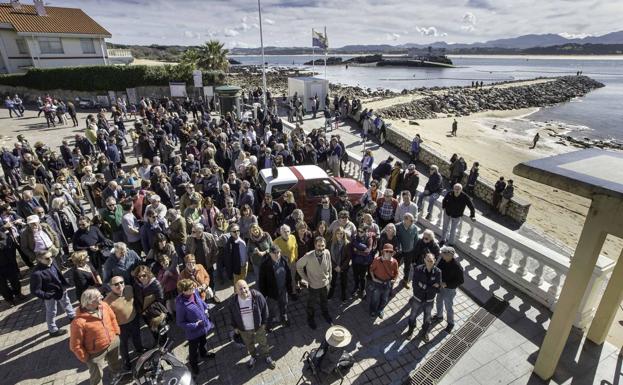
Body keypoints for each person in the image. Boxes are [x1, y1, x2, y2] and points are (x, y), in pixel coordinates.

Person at [70, 288, 124, 385]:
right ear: (90, 302)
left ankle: (117, 379)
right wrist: (86, 358)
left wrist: (116, 333)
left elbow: (112, 318)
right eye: (98, 297)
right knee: (97, 376)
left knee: (115, 365)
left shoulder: (104, 305)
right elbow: (75, 345)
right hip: (95, 353)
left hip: (113, 343)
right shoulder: (78, 322)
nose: (102, 298)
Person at [229, 279, 276, 369]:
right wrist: (235, 327)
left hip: (258, 328)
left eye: (244, 287)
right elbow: (232, 315)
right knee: (249, 344)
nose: (243, 290)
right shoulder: (233, 302)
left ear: (248, 287)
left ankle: (267, 356)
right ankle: (253, 356)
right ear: (236, 291)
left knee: (263, 342)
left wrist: (263, 323)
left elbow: (265, 310)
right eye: (240, 289)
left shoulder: (257, 296)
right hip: (244, 330)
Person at [104, 276, 145, 371]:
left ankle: (139, 350)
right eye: (116, 284)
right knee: (123, 345)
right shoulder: (107, 301)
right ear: (110, 287)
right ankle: (126, 362)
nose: (120, 285)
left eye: (121, 282)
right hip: (121, 326)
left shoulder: (129, 289)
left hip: (134, 320)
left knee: (137, 337)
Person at [175, 279, 216, 375]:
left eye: (193, 287)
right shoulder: (181, 305)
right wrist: (194, 325)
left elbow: (200, 302)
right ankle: (193, 364)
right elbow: (180, 322)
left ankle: (204, 353)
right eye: (190, 288)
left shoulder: (194, 292)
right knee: (193, 350)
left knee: (203, 341)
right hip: (193, 332)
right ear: (184, 291)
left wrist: (206, 308)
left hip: (203, 326)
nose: (193, 288)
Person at [297, 236, 333, 330]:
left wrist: (330, 277)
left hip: (325, 284)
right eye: (318, 245)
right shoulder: (308, 256)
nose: (321, 248)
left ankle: (325, 313)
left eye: (322, 245)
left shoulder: (327, 252)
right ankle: (310, 318)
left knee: (324, 300)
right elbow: (298, 266)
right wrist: (306, 279)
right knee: (311, 304)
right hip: (313, 286)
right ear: (314, 245)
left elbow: (329, 265)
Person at [405, 253, 441, 342]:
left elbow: (438, 288)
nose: (429, 262)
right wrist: (430, 287)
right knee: (412, 315)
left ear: (434, 261)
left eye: (431, 261)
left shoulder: (438, 272)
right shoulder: (418, 269)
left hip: (429, 300)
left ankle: (425, 332)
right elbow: (415, 285)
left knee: (427, 318)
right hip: (418, 298)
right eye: (428, 260)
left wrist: (423, 286)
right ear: (424, 260)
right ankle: (411, 329)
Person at [258, 244, 293, 329]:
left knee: (284, 304)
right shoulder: (264, 265)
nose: (277, 255)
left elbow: (288, 275)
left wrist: (289, 288)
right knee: (271, 309)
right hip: (272, 292)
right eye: (274, 253)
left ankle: (283, 318)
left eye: (278, 252)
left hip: (283, 289)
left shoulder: (284, 260)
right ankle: (269, 324)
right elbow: (262, 282)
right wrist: (264, 294)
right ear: (270, 253)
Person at [431, 246, 464, 333]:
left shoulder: (457, 266)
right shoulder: (442, 259)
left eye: (443, 253)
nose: (441, 254)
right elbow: (437, 268)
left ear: (450, 255)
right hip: (441, 286)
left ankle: (450, 323)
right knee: (438, 300)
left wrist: (447, 284)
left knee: (448, 306)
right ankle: (439, 316)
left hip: (449, 290)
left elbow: (461, 281)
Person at [368, 243, 399, 318]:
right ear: (383, 252)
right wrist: (373, 278)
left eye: (390, 252)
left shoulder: (394, 261)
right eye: (386, 251)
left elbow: (396, 272)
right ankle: (373, 310)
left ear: (393, 253)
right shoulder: (377, 260)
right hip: (378, 282)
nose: (388, 253)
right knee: (375, 298)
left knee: (384, 299)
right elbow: (371, 270)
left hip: (388, 283)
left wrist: (394, 280)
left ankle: (380, 310)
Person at [0, 230, 24, 306]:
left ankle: (18, 294)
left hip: (8, 263)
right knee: (2, 286)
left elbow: (9, 242)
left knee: (15, 280)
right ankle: (9, 299)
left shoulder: (2, 234)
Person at [396, 213, 419, 288]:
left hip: (409, 251)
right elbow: (395, 238)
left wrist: (414, 250)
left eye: (413, 220)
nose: (413, 222)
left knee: (407, 267)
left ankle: (405, 281)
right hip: (399, 251)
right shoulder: (398, 226)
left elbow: (416, 240)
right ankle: (392, 278)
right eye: (411, 220)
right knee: (396, 265)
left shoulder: (414, 228)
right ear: (405, 219)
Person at [328, 227, 351, 301]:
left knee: (343, 281)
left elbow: (348, 257)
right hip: (334, 265)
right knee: (333, 280)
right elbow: (329, 256)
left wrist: (341, 267)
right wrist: (335, 266)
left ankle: (343, 293)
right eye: (337, 233)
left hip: (343, 266)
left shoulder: (347, 243)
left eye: (341, 233)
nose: (339, 235)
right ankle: (331, 293)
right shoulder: (331, 242)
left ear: (344, 234)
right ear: (335, 234)